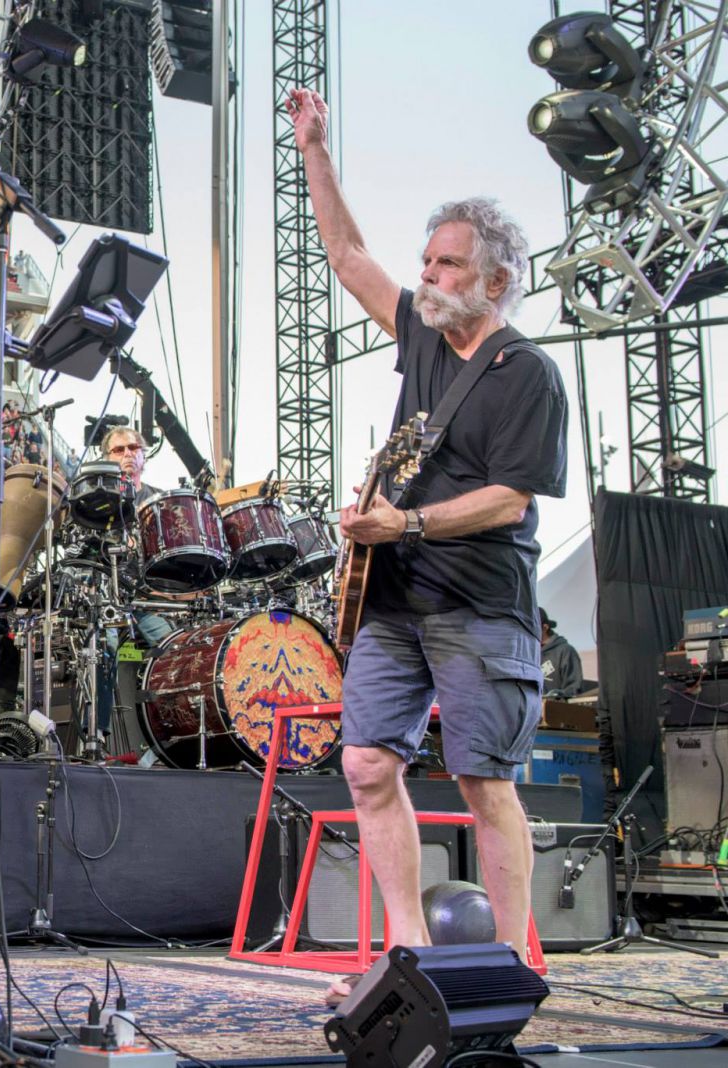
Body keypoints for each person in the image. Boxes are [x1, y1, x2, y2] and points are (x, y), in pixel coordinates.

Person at [287, 87, 568, 1000]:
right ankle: (410, 956)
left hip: (480, 605)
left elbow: (510, 501)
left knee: (485, 780)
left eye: (448, 266)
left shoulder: (526, 373)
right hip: (395, 599)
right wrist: (314, 148)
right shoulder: (421, 333)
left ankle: (514, 964)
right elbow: (345, 253)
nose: (429, 276)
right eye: (429, 262)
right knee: (368, 763)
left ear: (494, 281)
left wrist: (405, 521)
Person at [539, 608, 584, 699]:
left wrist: (556, 696)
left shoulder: (565, 651)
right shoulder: (527, 653)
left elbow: (573, 688)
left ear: (545, 628)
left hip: (554, 710)